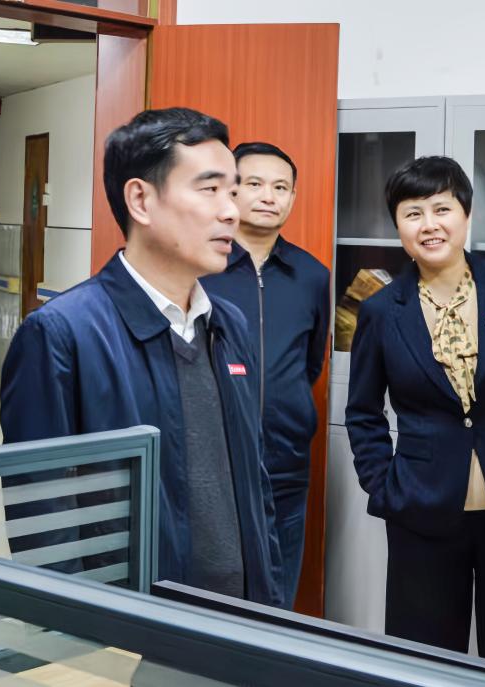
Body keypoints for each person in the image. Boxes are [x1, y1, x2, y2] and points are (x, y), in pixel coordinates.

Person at [0, 107, 283, 606]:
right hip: (135, 624)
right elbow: (43, 517)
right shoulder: (62, 333)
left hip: (242, 615)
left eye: (233, 192)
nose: (231, 212)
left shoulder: (228, 324)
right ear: (141, 200)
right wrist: (85, 635)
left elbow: (256, 484)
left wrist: (271, 598)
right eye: (210, 189)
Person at [345, 156, 485, 668]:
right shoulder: (380, 310)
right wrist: (384, 485)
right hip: (421, 509)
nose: (429, 225)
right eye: (412, 213)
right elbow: (363, 412)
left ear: (466, 215)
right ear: (397, 225)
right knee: (423, 657)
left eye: (442, 209)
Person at [201, 142, 330, 609]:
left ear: (293, 197)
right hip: (213, 464)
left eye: (281, 187)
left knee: (277, 598)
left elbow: (309, 363)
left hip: (285, 464)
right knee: (213, 596)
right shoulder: (202, 268)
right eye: (254, 184)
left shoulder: (312, 275)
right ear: (229, 190)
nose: (268, 196)